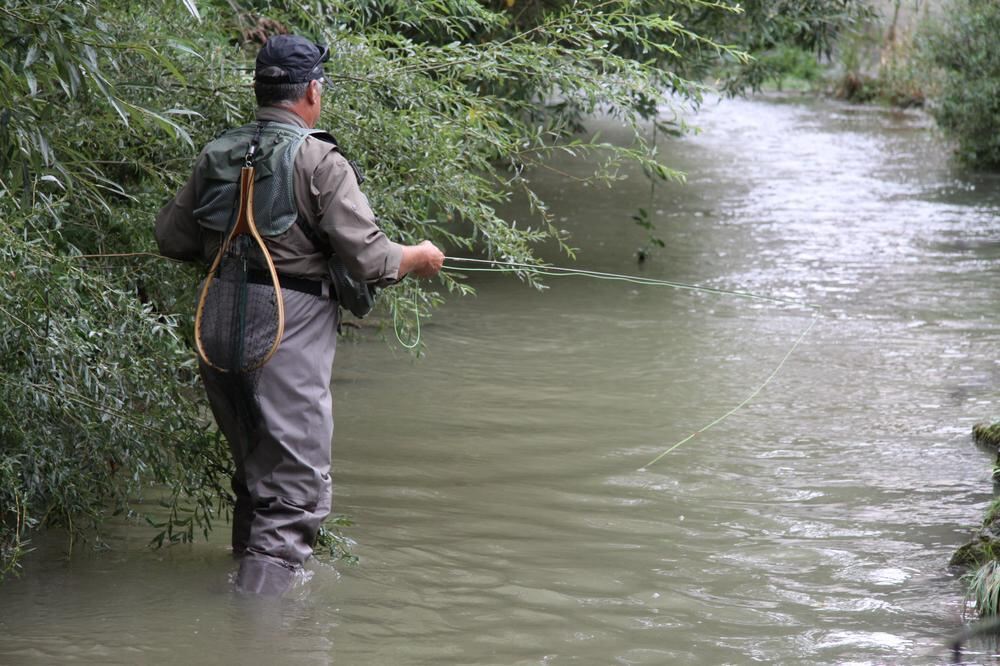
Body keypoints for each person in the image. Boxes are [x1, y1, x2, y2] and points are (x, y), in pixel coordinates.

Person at [154, 34, 444, 596]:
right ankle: (260, 640)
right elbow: (372, 259)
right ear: (312, 90)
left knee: (259, 483)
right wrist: (420, 257)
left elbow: (170, 237)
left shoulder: (218, 151)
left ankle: (240, 617)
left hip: (216, 330)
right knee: (292, 499)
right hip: (284, 337)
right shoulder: (318, 158)